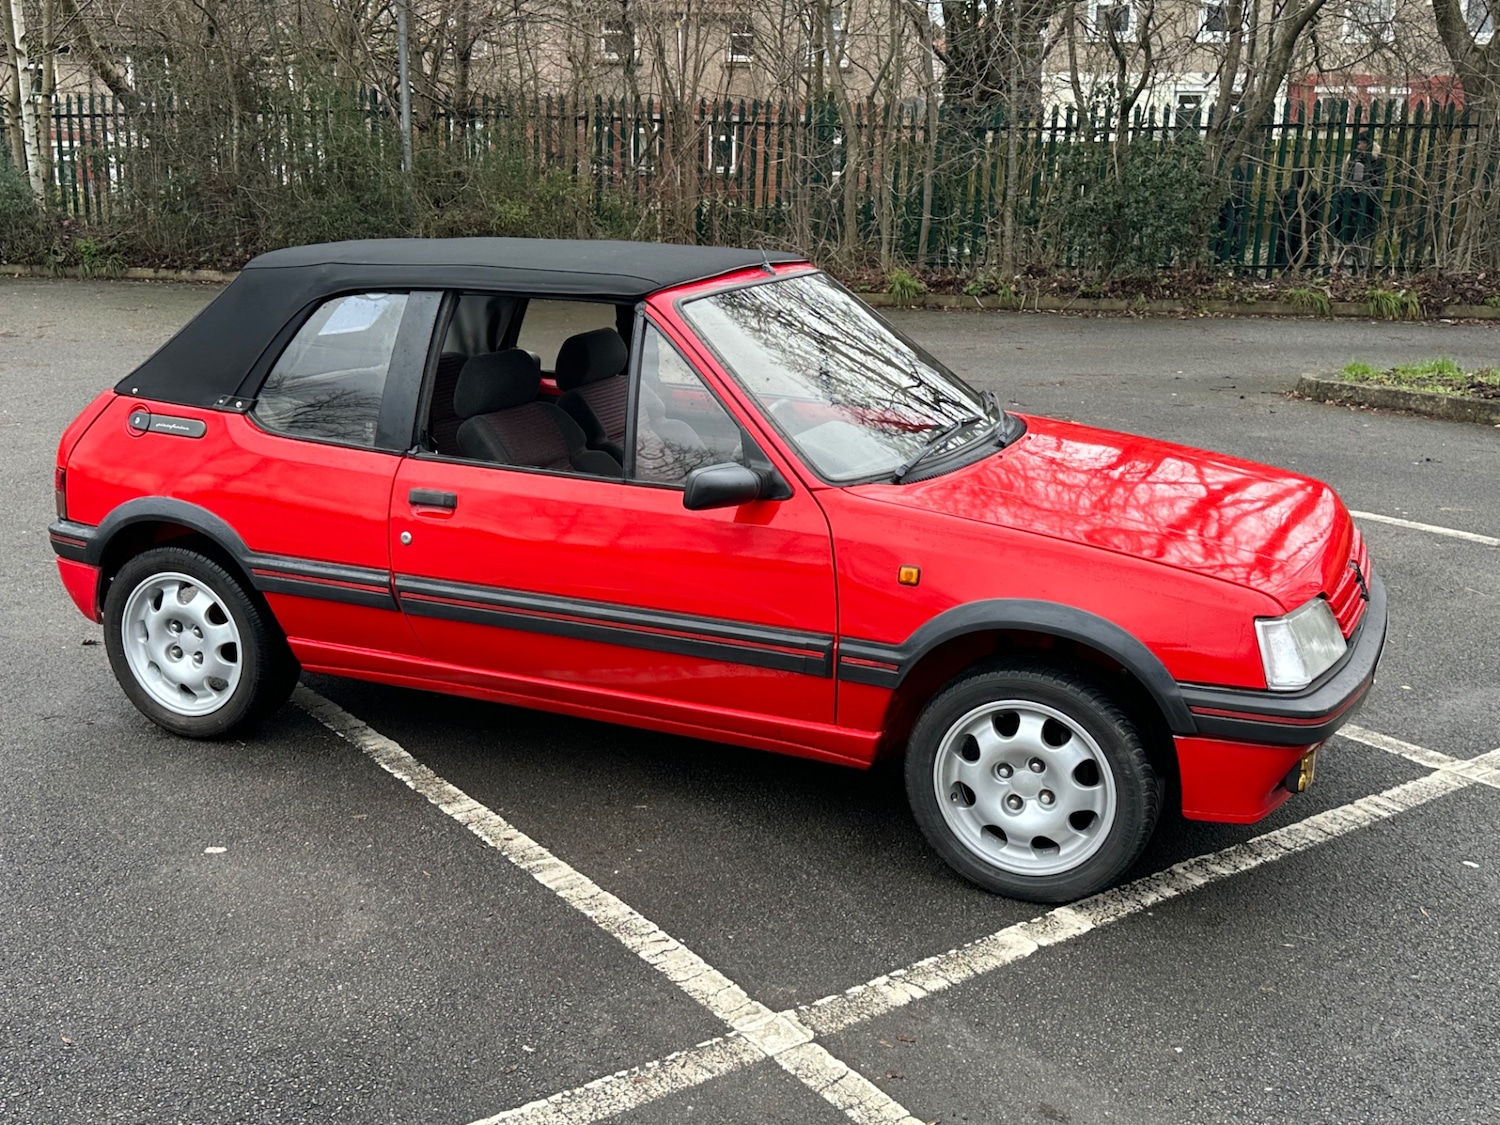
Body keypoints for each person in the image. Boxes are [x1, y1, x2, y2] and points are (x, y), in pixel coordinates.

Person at [1331, 132, 1385, 274]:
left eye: (1361, 143)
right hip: (1350, 203)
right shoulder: (1352, 159)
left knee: (1363, 243)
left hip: (1366, 205)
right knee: (1346, 240)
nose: (1358, 146)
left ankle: (1361, 271)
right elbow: (1346, 178)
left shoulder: (1377, 160)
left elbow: (1378, 184)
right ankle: (1345, 270)